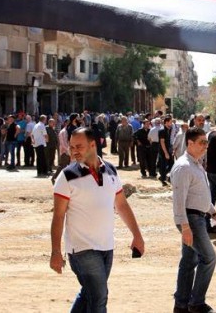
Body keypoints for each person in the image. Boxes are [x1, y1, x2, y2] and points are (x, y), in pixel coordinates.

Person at [50, 127, 144, 312]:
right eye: (71, 147)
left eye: (79, 146)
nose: (74, 151)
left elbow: (122, 205)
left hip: (107, 246)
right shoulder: (67, 176)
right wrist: (55, 251)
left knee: (90, 294)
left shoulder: (110, 170)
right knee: (99, 297)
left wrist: (137, 235)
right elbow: (58, 216)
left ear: (93, 145)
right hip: (82, 249)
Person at [171, 127, 216, 313]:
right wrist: (185, 226)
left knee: (188, 262)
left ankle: (181, 304)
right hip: (190, 219)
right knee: (208, 258)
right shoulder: (184, 166)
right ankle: (196, 303)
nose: (205, 146)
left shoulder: (195, 163)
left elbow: (199, 194)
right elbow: (179, 200)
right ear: (190, 143)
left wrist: (213, 212)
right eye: (201, 143)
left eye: (206, 142)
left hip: (197, 217)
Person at [158, 116, 175, 186]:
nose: (171, 123)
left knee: (172, 164)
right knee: (163, 165)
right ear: (166, 122)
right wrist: (166, 153)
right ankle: (163, 179)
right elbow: (162, 142)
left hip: (168, 149)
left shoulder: (169, 129)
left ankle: (162, 176)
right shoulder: (162, 130)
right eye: (170, 122)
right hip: (163, 151)